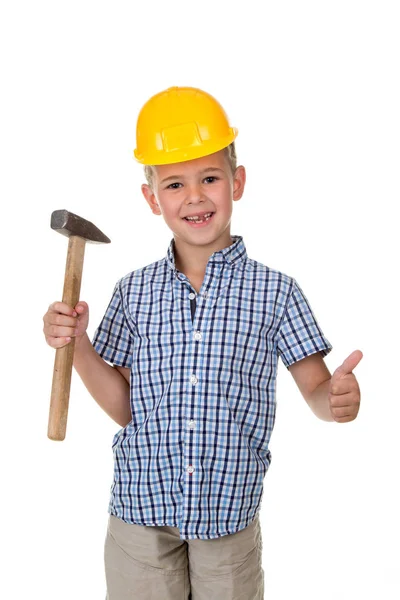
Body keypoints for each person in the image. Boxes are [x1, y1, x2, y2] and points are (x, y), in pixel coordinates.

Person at [43, 86, 362, 599]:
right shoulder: (133, 292)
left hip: (229, 520)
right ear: (152, 198)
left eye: (209, 178)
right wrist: (77, 345)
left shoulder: (276, 292)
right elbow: (127, 407)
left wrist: (337, 401)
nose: (194, 196)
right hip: (140, 515)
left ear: (236, 183)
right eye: (174, 183)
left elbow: (318, 392)